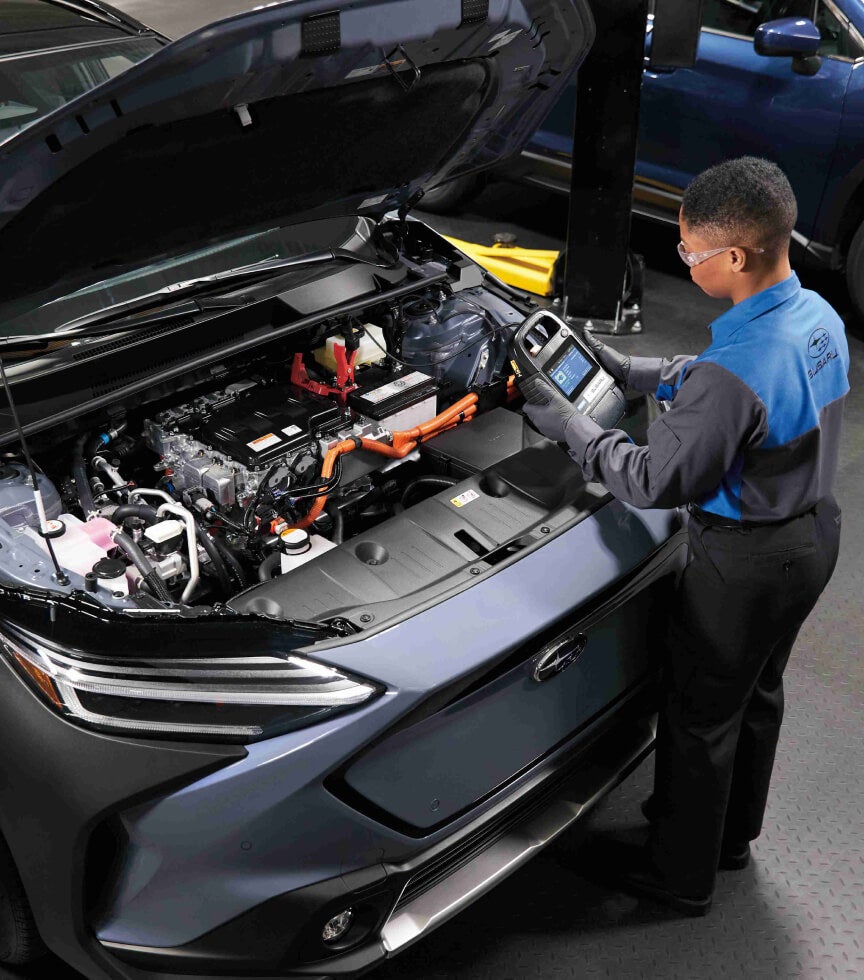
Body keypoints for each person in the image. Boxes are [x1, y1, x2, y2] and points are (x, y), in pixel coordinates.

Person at [523, 156, 850, 916]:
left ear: (733, 257)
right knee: (756, 693)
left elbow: (652, 480)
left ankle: (678, 875)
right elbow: (715, 378)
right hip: (813, 539)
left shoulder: (739, 368)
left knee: (700, 717)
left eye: (688, 252)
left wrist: (569, 425)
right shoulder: (814, 316)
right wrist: (629, 370)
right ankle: (730, 840)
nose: (685, 262)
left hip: (745, 564)